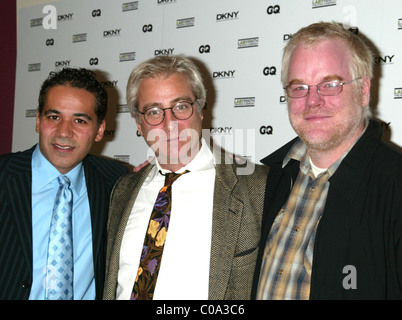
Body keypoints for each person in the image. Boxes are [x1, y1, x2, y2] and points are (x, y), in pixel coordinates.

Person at [252, 22, 402, 300]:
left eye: (330, 84)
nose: (313, 101)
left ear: (364, 90)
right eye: (299, 87)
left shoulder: (395, 184)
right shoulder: (265, 180)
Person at [103, 55, 268, 300]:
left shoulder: (255, 186)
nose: (170, 124)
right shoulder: (123, 190)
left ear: (200, 110)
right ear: (139, 123)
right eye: (154, 111)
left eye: (180, 106)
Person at [0, 68, 129, 300]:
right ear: (38, 120)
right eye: (54, 117)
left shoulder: (116, 183)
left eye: (79, 120)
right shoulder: (3, 176)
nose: (64, 132)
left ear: (99, 130)